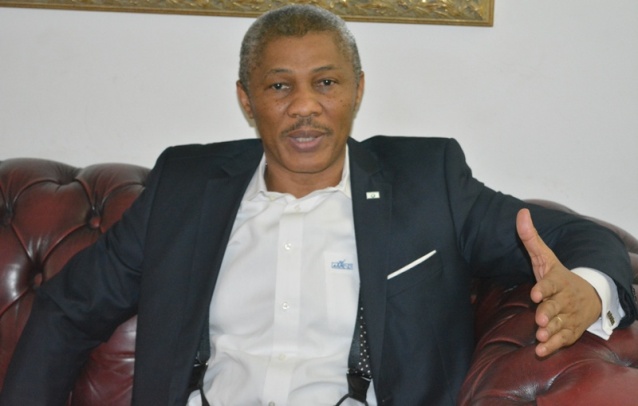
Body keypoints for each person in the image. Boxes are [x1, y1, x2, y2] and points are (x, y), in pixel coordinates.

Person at [1, 4, 636, 406]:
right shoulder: (185, 186)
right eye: (279, 86)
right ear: (247, 99)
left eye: (325, 83)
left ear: (357, 90)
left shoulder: (427, 182)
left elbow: (576, 236)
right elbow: (69, 308)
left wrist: (589, 289)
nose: (304, 107)